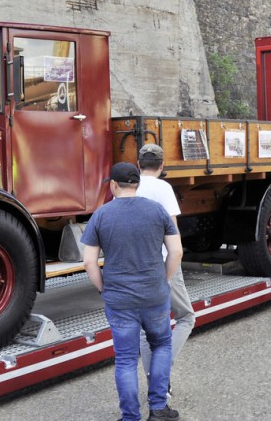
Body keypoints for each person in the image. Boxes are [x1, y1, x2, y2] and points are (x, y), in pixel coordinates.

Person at [82, 162, 182, 421]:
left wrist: (103, 287)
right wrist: (164, 279)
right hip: (154, 295)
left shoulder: (101, 215)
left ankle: (130, 417)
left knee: (126, 358)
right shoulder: (157, 211)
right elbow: (176, 251)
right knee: (161, 345)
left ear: (113, 185)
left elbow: (89, 261)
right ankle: (159, 409)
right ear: (136, 184)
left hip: (119, 299)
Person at [136, 144, 196, 393]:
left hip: (137, 264)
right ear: (162, 166)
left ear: (138, 164)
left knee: (144, 329)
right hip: (163, 261)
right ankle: (162, 372)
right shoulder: (164, 188)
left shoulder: (129, 187)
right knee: (186, 317)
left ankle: (156, 383)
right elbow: (172, 232)